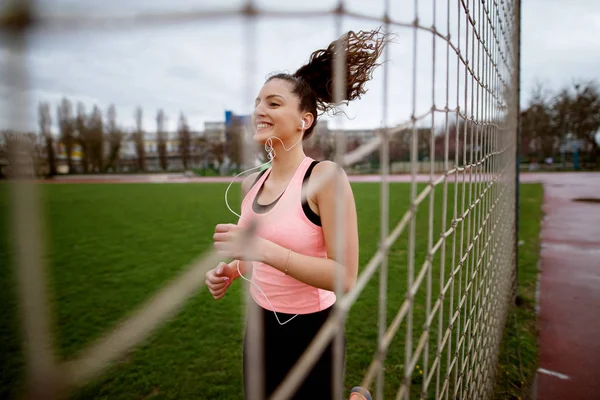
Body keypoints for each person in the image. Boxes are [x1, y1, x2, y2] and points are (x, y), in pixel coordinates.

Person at [205, 28, 388, 400]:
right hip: (260, 325)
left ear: (305, 120)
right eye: (258, 102)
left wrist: (262, 250)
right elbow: (256, 262)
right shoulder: (250, 184)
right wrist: (231, 269)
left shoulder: (325, 178)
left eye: (273, 103)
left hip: (314, 330)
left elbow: (345, 277)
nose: (259, 110)